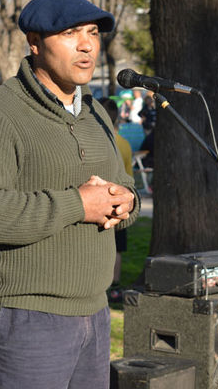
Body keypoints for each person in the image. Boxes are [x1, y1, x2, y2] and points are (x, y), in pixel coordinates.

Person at [0, 0, 140, 388]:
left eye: (93, 32)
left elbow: (123, 185)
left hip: (95, 311)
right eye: (71, 33)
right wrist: (77, 204)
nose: (87, 44)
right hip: (27, 317)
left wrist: (128, 202)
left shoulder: (96, 114)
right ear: (34, 43)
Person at [99, 98, 133, 302]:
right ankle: (116, 285)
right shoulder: (124, 144)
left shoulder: (99, 141)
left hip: (102, 200)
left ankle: (105, 284)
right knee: (117, 248)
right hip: (120, 199)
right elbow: (129, 175)